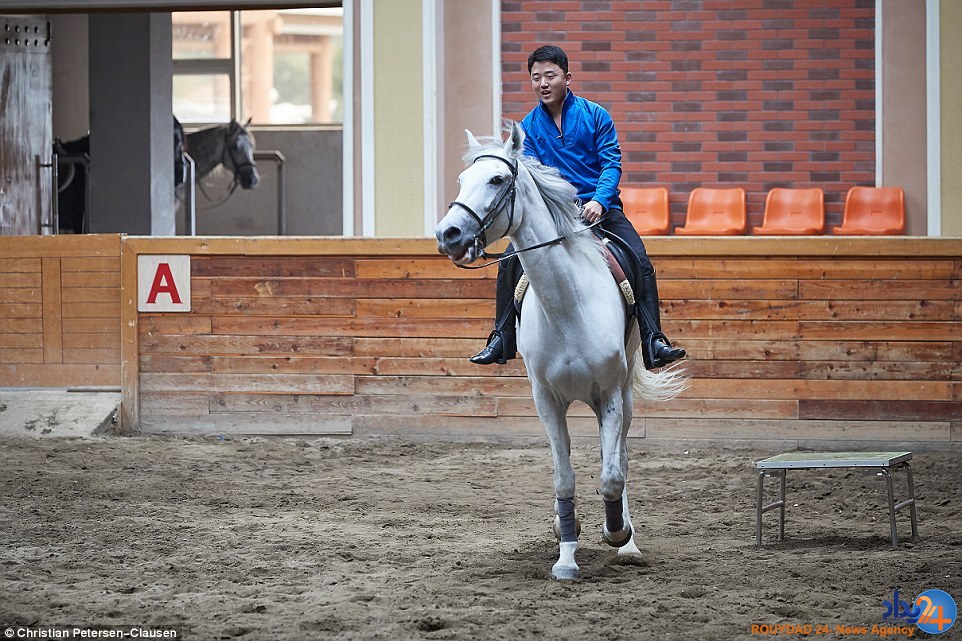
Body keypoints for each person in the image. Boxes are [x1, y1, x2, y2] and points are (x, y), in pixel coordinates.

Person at [470, 44, 685, 370]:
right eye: (535, 77)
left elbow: (611, 165)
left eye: (550, 75)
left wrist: (599, 200)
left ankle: (653, 339)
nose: (542, 83)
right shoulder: (527, 128)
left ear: (567, 78)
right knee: (508, 262)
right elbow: (532, 180)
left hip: (603, 210)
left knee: (640, 259)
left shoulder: (596, 115)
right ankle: (501, 338)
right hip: (556, 217)